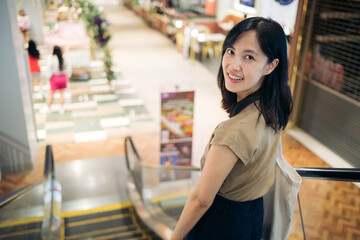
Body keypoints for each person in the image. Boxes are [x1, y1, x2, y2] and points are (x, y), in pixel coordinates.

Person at [170, 17, 293, 240]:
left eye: (249, 57)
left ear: (271, 65)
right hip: (252, 215)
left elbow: (201, 200)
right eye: (230, 51)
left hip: (221, 224)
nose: (233, 65)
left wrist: (175, 237)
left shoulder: (234, 131)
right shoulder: (270, 108)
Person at [47, 46, 71, 114]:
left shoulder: (52, 59)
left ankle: (49, 108)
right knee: (62, 94)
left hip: (55, 78)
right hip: (63, 77)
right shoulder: (63, 58)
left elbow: (49, 69)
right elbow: (68, 68)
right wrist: (67, 76)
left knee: (51, 94)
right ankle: (61, 108)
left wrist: (49, 77)